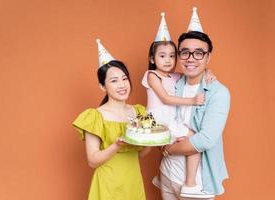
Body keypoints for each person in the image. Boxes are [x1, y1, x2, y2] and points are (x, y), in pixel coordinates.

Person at [142, 12, 215, 199]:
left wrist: (209, 71)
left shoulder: (175, 76)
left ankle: (162, 176)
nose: (168, 60)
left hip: (170, 118)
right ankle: (190, 183)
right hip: (159, 118)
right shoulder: (152, 75)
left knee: (175, 142)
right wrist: (192, 101)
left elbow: (194, 72)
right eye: (162, 55)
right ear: (152, 59)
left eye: (172, 56)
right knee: (193, 139)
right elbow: (165, 99)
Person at [73, 40, 149, 200]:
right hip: (108, 184)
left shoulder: (140, 112)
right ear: (103, 87)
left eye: (124, 79)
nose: (122, 85)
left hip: (133, 182)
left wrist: (158, 140)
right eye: (114, 81)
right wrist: (116, 145)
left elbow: (141, 153)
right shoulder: (95, 116)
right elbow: (92, 161)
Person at [159, 31, 230, 199]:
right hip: (167, 174)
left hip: (196, 186)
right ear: (178, 56)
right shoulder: (172, 83)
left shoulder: (218, 92)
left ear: (208, 57)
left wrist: (169, 149)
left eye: (199, 53)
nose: (191, 58)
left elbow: (206, 139)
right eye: (185, 53)